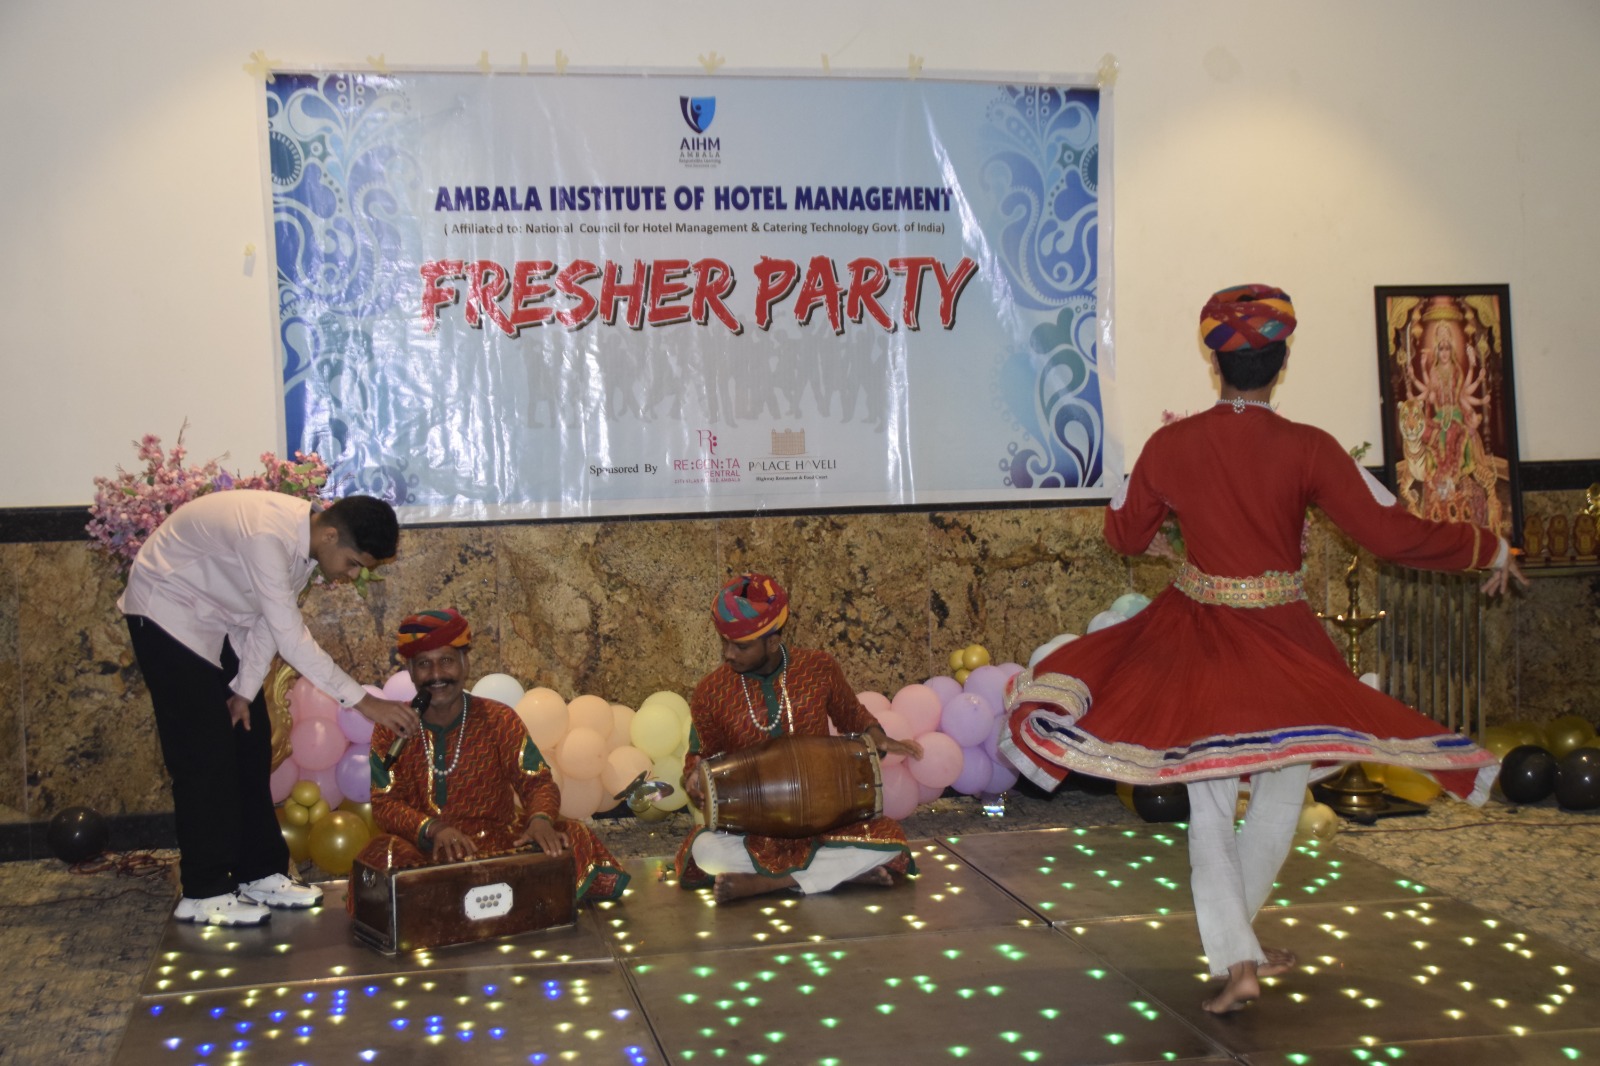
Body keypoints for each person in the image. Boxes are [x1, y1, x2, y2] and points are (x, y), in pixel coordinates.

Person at [1000, 284, 1525, 1014]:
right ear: (1282, 364)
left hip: (1198, 639)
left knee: (1211, 803)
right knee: (1281, 790)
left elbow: (1123, 533)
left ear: (1215, 365)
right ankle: (1237, 949)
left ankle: (1237, 954)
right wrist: (1486, 545)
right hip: (1286, 643)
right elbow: (1390, 532)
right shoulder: (1309, 448)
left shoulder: (1171, 446)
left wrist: (1159, 515)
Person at [121, 490, 417, 926]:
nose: (352, 574)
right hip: (164, 613)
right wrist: (365, 702)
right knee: (204, 755)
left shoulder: (303, 546)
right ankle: (203, 890)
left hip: (212, 625)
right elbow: (290, 638)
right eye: (354, 563)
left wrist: (243, 692)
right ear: (330, 535)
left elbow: (265, 623)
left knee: (251, 739)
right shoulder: (267, 535)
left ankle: (259, 872)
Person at [676, 574, 923, 903]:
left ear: (772, 641)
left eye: (741, 646)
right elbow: (703, 755)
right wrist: (694, 777)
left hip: (825, 821)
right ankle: (834, 876)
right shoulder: (711, 692)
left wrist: (878, 736)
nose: (728, 654)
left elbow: (852, 715)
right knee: (706, 851)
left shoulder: (818, 668)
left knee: (891, 840)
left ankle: (768, 883)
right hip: (755, 829)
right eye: (725, 643)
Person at [356, 609, 629, 903]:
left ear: (465, 663)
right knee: (380, 856)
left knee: (572, 834)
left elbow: (536, 782)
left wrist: (540, 820)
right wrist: (433, 829)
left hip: (501, 844)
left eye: (446, 661)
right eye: (424, 664)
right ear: (410, 671)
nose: (436, 675)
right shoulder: (392, 728)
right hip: (426, 851)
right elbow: (385, 803)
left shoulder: (498, 718)